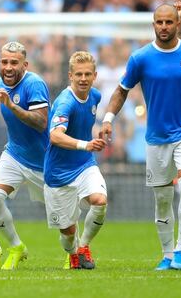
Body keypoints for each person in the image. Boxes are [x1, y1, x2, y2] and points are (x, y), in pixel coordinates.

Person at [101, 3, 181, 271]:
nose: (164, 27)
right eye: (159, 22)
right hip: (156, 138)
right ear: (153, 25)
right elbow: (121, 90)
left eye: (168, 22)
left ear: (177, 24)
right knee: (162, 199)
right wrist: (108, 119)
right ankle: (166, 255)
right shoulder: (140, 57)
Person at [0, 41, 50, 270]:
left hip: (44, 161)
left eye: (14, 62)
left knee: (63, 218)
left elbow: (41, 123)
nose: (9, 67)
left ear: (25, 64)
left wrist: (11, 107)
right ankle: (16, 246)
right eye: (4, 62)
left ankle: (74, 252)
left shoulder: (34, 83)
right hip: (15, 154)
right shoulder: (1, 83)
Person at [45, 51, 108, 270]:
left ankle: (84, 247)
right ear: (70, 76)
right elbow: (55, 135)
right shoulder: (65, 102)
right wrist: (86, 144)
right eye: (78, 74)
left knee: (100, 201)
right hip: (58, 172)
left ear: (95, 75)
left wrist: (103, 127)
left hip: (84, 164)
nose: (83, 79)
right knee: (67, 231)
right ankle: (73, 254)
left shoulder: (95, 96)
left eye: (87, 74)